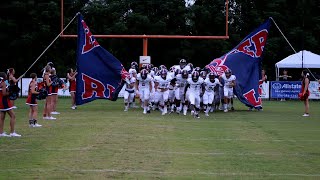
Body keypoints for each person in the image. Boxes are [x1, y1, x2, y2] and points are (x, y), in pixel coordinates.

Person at [0, 72, 21, 137]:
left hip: (1, 101)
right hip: (5, 101)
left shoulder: (1, 82)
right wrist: (10, 92)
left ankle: (1, 133)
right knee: (13, 116)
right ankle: (12, 132)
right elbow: (4, 93)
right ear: (4, 76)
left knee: (2, 117)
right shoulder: (3, 82)